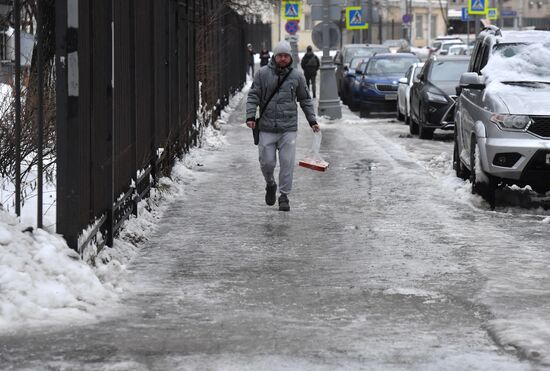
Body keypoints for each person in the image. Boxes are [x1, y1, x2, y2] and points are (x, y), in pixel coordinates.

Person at [246, 40, 320, 212]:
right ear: (275, 56)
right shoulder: (262, 74)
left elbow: (305, 100)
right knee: (267, 163)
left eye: (286, 56)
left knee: (287, 163)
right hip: (266, 127)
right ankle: (270, 184)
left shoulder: (297, 76)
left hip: (288, 128)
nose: (283, 59)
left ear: (290, 58)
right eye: (280, 56)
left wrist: (312, 121)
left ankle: (284, 196)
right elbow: (253, 95)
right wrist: (250, 115)